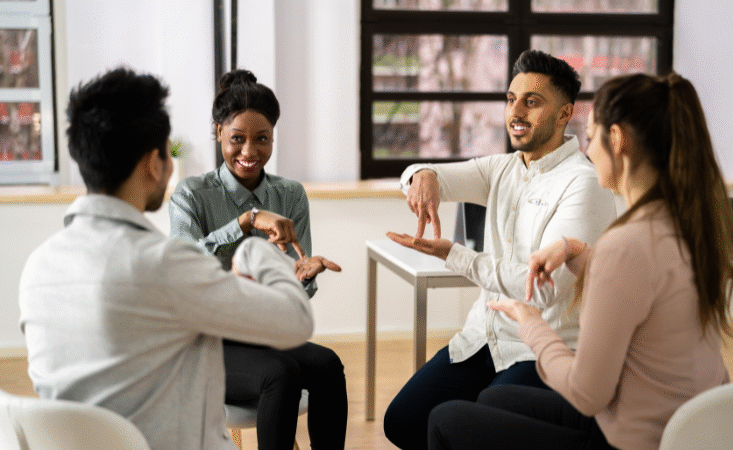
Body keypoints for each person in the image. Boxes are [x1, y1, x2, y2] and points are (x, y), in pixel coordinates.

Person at [427, 72, 733, 450]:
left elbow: (588, 394)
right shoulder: (687, 225)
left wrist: (532, 326)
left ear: (617, 139)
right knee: (495, 399)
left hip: (635, 438)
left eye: (591, 137)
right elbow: (647, 281)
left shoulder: (624, 244)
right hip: (691, 423)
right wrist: (583, 254)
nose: (587, 150)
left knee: (446, 419)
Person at [18, 68, 314, 450]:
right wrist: (255, 248)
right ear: (155, 163)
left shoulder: (37, 267)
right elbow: (295, 320)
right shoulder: (166, 264)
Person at [383, 49, 617, 450]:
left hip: (541, 347)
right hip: (483, 338)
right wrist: (421, 175)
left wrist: (453, 255)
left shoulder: (583, 182)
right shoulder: (503, 169)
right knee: (402, 422)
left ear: (564, 114)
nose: (517, 111)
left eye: (533, 101)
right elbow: (419, 176)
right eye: (511, 99)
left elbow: (539, 289)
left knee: (471, 428)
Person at [169, 69, 347, 450]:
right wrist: (245, 223)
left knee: (328, 366)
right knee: (279, 374)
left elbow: (296, 293)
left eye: (262, 139)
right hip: (204, 340)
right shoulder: (191, 194)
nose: (249, 152)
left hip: (262, 331)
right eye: (237, 139)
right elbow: (185, 272)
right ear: (218, 132)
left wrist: (303, 278)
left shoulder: (290, 196)